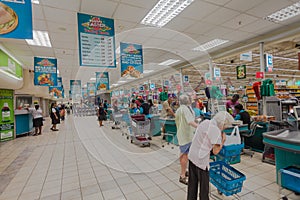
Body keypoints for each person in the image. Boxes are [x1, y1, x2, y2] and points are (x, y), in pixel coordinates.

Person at [187, 111, 234, 200]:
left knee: (192, 184)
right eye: (225, 126)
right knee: (204, 188)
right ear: (222, 123)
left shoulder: (205, 122)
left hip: (192, 155)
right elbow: (215, 151)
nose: (224, 128)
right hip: (201, 160)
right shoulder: (215, 130)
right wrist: (223, 140)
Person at [175, 94, 198, 185]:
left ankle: (185, 171)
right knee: (184, 155)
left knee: (185, 154)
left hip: (184, 135)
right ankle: (182, 176)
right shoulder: (185, 109)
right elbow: (190, 121)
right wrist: (200, 127)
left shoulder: (180, 109)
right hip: (186, 136)